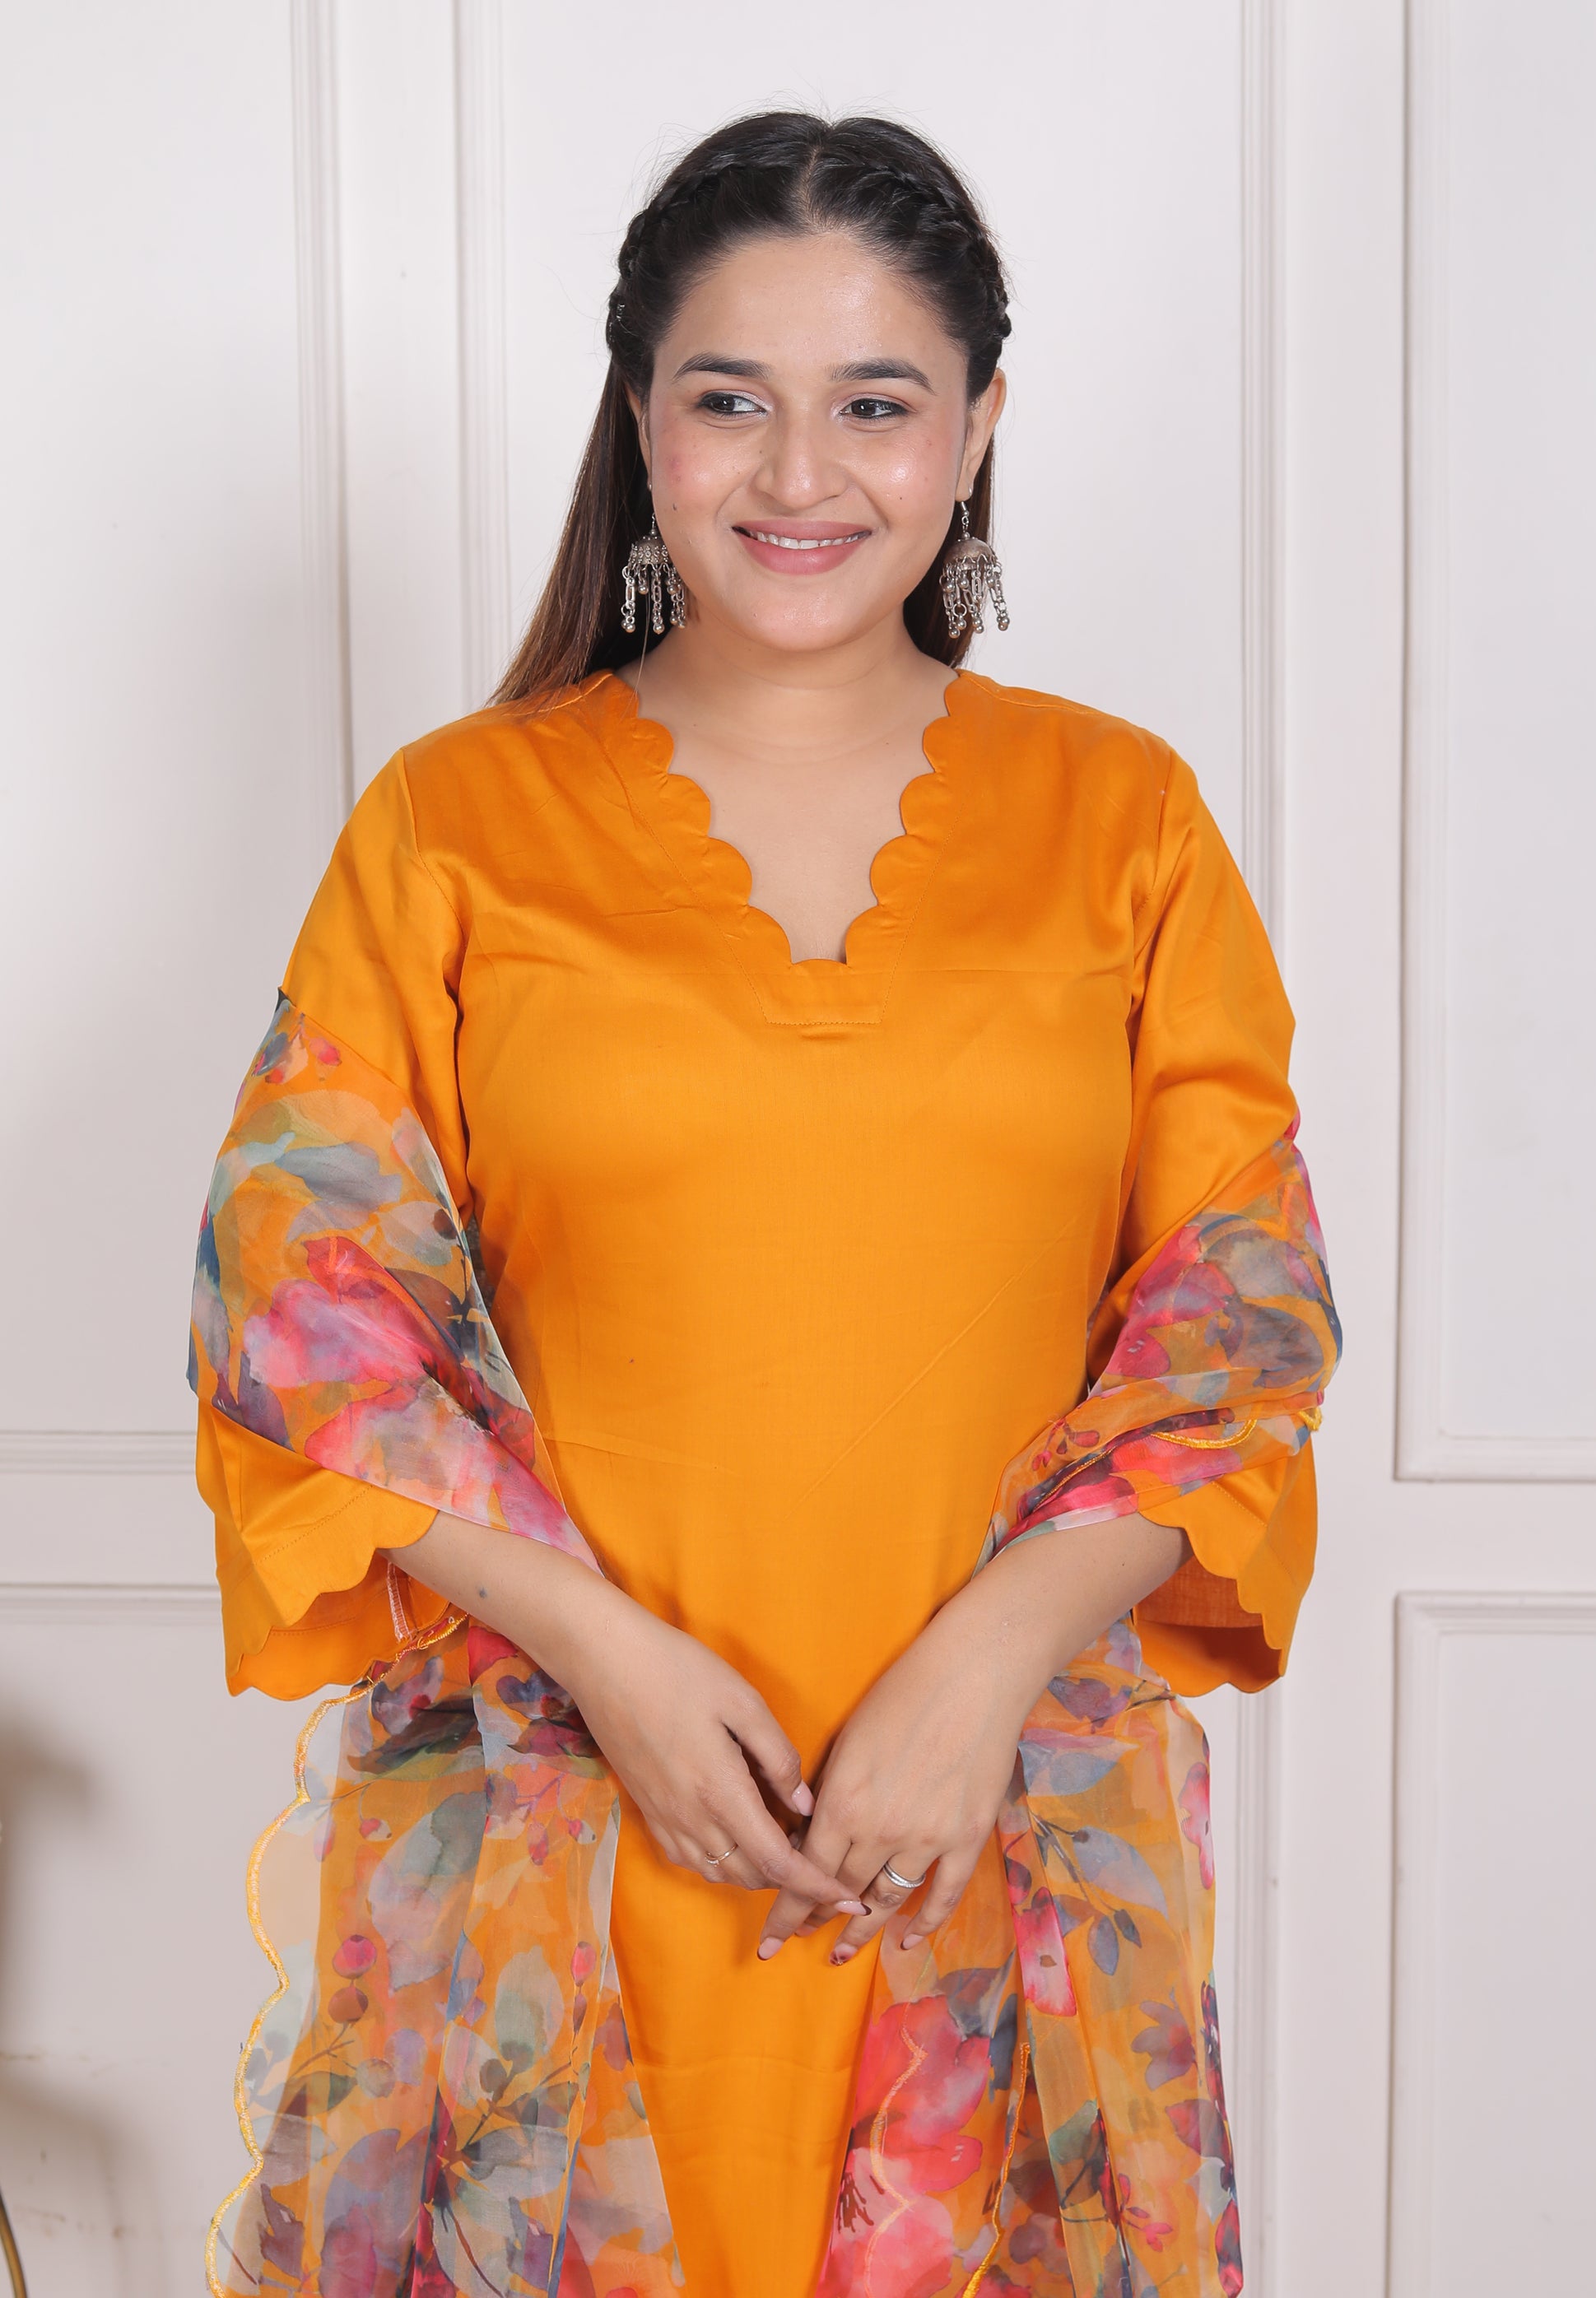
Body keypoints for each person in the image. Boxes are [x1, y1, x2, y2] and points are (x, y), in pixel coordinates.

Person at [192, 110, 1338, 2298]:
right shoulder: (455, 822)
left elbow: (1238, 1332)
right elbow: (300, 1325)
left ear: (976, 429)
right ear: (640, 419)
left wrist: (981, 1672)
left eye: (876, 403)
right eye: (729, 398)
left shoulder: (1125, 820)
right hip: (566, 1832)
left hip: (990, 1832)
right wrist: (612, 1664)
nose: (798, 471)